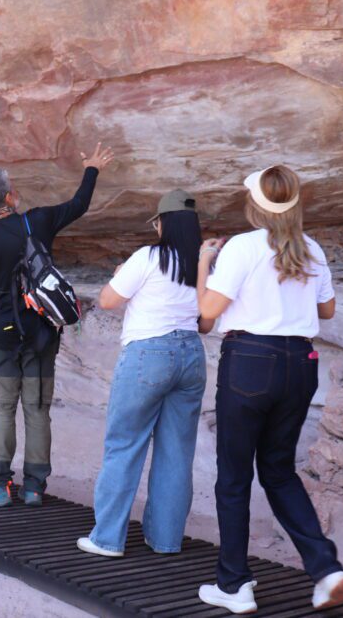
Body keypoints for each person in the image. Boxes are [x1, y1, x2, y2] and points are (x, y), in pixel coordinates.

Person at [196, 166, 343, 613]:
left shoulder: (243, 247)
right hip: (300, 363)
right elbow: (327, 310)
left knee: (234, 476)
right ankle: (326, 568)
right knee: (279, 471)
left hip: (250, 361)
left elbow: (208, 311)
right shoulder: (311, 248)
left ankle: (234, 584)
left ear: (254, 205)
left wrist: (204, 263)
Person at [0, 143, 114, 507]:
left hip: (2, 336)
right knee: (37, 410)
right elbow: (79, 205)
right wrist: (91, 168)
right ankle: (33, 488)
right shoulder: (38, 221)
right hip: (42, 334)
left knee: (1, 410)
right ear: (9, 197)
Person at [77, 189, 213, 558]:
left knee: (124, 445)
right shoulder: (203, 265)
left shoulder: (149, 257)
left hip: (148, 353)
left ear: (162, 224)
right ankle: (166, 540)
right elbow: (204, 323)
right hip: (191, 356)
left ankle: (107, 538)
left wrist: (121, 275)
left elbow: (107, 300)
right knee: (176, 452)